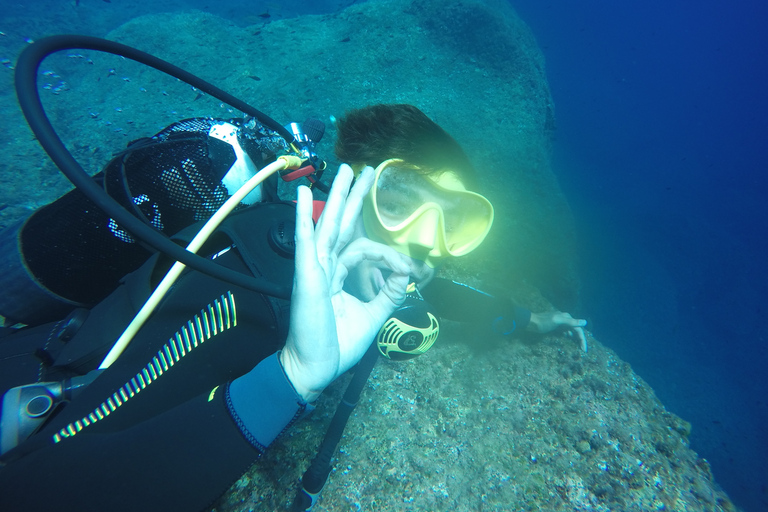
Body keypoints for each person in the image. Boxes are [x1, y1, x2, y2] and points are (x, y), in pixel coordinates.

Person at [0, 104, 586, 511]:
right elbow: (40, 481)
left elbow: (443, 295)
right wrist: (291, 380)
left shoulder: (371, 266)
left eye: (453, 218)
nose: (427, 240)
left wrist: (527, 320)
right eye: (401, 199)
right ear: (348, 188)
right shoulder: (253, 286)